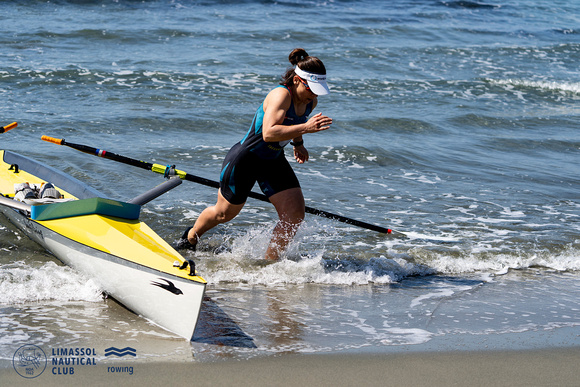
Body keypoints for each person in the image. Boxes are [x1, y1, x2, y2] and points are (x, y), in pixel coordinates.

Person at [178, 48, 332, 260]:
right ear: (297, 80)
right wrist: (305, 128)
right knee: (224, 214)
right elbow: (269, 133)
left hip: (272, 160)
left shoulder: (310, 101)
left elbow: (295, 125)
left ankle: (269, 264)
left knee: (294, 215)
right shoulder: (280, 95)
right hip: (246, 159)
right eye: (312, 89)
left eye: (318, 90)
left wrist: (299, 143)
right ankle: (190, 237)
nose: (314, 95)